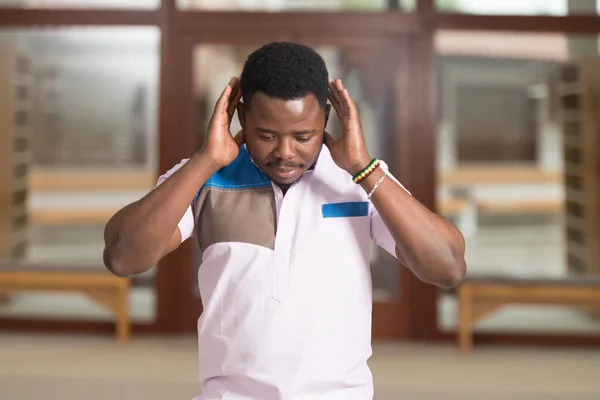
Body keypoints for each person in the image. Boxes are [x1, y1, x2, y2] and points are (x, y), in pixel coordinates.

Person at [103, 42, 466, 400]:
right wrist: (206, 160)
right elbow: (123, 257)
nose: (285, 153)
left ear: (326, 118)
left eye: (302, 136)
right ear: (241, 117)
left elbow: (447, 266)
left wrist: (363, 168)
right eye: (266, 136)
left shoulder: (361, 181)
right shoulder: (203, 178)